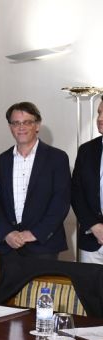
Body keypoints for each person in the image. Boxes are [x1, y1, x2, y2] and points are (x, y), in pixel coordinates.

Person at [0, 102, 71, 260]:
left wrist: (34, 233)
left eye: (27, 122)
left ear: (37, 125)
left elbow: (61, 202)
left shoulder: (57, 158)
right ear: (10, 127)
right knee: (10, 286)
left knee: (43, 286)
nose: (21, 127)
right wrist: (7, 233)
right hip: (10, 246)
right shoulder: (1, 161)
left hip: (43, 245)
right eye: (16, 123)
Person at [72, 99, 103, 263]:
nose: (100, 118)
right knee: (89, 289)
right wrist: (94, 226)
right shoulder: (86, 150)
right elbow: (76, 193)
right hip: (91, 241)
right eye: (99, 112)